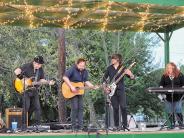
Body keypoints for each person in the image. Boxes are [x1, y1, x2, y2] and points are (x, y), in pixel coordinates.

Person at [14, 56, 53, 129]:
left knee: (37, 107)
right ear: (34, 62)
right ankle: (23, 125)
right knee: (26, 107)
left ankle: (38, 125)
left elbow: (41, 80)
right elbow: (16, 71)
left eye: (41, 64)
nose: (40, 66)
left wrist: (48, 82)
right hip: (25, 90)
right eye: (38, 64)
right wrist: (22, 80)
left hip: (34, 90)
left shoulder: (40, 69)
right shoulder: (27, 66)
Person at [63, 58, 97, 131]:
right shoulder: (72, 69)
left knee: (81, 108)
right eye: (80, 66)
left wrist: (93, 86)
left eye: (83, 66)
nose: (82, 67)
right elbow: (65, 77)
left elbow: (86, 81)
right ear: (77, 64)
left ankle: (80, 126)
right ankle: (73, 126)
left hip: (79, 92)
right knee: (75, 107)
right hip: (71, 90)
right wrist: (71, 86)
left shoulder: (85, 71)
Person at [103, 54, 135, 131]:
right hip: (112, 91)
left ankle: (125, 125)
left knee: (123, 107)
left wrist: (130, 74)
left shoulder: (123, 68)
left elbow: (132, 78)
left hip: (121, 90)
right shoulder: (109, 68)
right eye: (112, 58)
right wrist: (105, 88)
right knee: (115, 108)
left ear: (118, 60)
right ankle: (116, 125)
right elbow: (104, 79)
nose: (112, 60)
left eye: (113, 59)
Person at [159, 62, 184, 128]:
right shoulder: (164, 76)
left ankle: (181, 123)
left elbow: (183, 84)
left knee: (178, 109)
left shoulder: (180, 75)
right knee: (169, 110)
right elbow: (161, 85)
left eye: (171, 67)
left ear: (174, 68)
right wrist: (161, 89)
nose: (170, 69)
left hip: (178, 95)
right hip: (168, 96)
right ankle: (172, 124)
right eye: (169, 68)